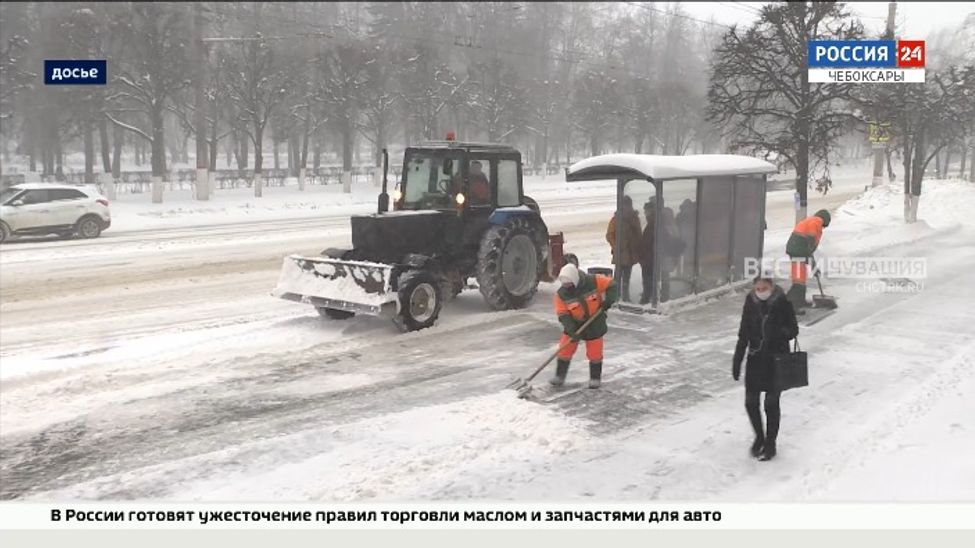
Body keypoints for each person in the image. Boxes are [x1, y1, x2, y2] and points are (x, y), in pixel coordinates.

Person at [732, 275, 799, 461]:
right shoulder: (750, 303)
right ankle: (759, 437)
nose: (761, 292)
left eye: (764, 289)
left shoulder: (782, 302)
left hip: (775, 360)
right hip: (755, 359)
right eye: (758, 289)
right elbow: (743, 334)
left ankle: (771, 443)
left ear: (771, 287)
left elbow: (793, 330)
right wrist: (737, 361)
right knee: (750, 402)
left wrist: (777, 332)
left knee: (771, 404)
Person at [552, 263, 619, 389]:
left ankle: (595, 378)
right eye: (564, 285)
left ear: (575, 280)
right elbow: (563, 314)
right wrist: (571, 329)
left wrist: (608, 301)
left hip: (595, 321)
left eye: (569, 284)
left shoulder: (593, 281)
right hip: (574, 323)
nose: (567, 287)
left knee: (595, 352)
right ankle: (559, 376)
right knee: (565, 349)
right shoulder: (561, 294)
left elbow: (612, 284)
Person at [785, 209, 831, 313]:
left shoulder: (813, 221)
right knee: (799, 280)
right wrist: (813, 265)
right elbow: (809, 239)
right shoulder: (816, 221)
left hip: (798, 250)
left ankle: (799, 301)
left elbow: (808, 246)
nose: (823, 228)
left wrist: (813, 266)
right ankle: (793, 306)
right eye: (824, 226)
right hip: (798, 250)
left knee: (801, 278)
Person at [606, 195, 642, 302]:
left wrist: (636, 246)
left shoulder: (634, 218)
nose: (627, 208)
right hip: (621, 254)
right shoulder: (616, 219)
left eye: (628, 205)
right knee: (617, 278)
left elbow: (639, 234)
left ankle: (625, 297)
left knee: (626, 277)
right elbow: (609, 235)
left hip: (630, 253)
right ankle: (615, 297)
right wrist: (616, 247)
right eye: (625, 205)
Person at [639, 201, 656, 305]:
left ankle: (646, 298)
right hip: (649, 257)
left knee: (648, 279)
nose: (645, 213)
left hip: (648, 257)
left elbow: (647, 242)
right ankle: (648, 296)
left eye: (646, 211)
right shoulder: (652, 223)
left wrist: (643, 256)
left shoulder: (652, 224)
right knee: (648, 278)